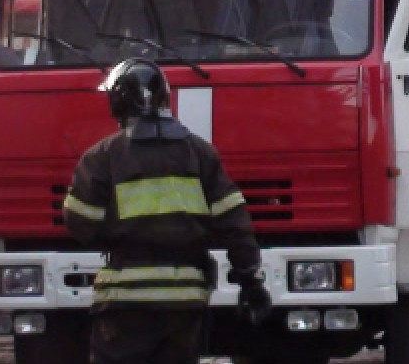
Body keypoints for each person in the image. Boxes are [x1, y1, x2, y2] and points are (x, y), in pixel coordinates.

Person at [62, 58, 272, 364]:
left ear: (118, 101)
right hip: (185, 301)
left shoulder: (103, 156)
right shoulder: (201, 152)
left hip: (124, 300)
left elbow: (79, 224)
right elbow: (234, 224)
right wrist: (250, 281)